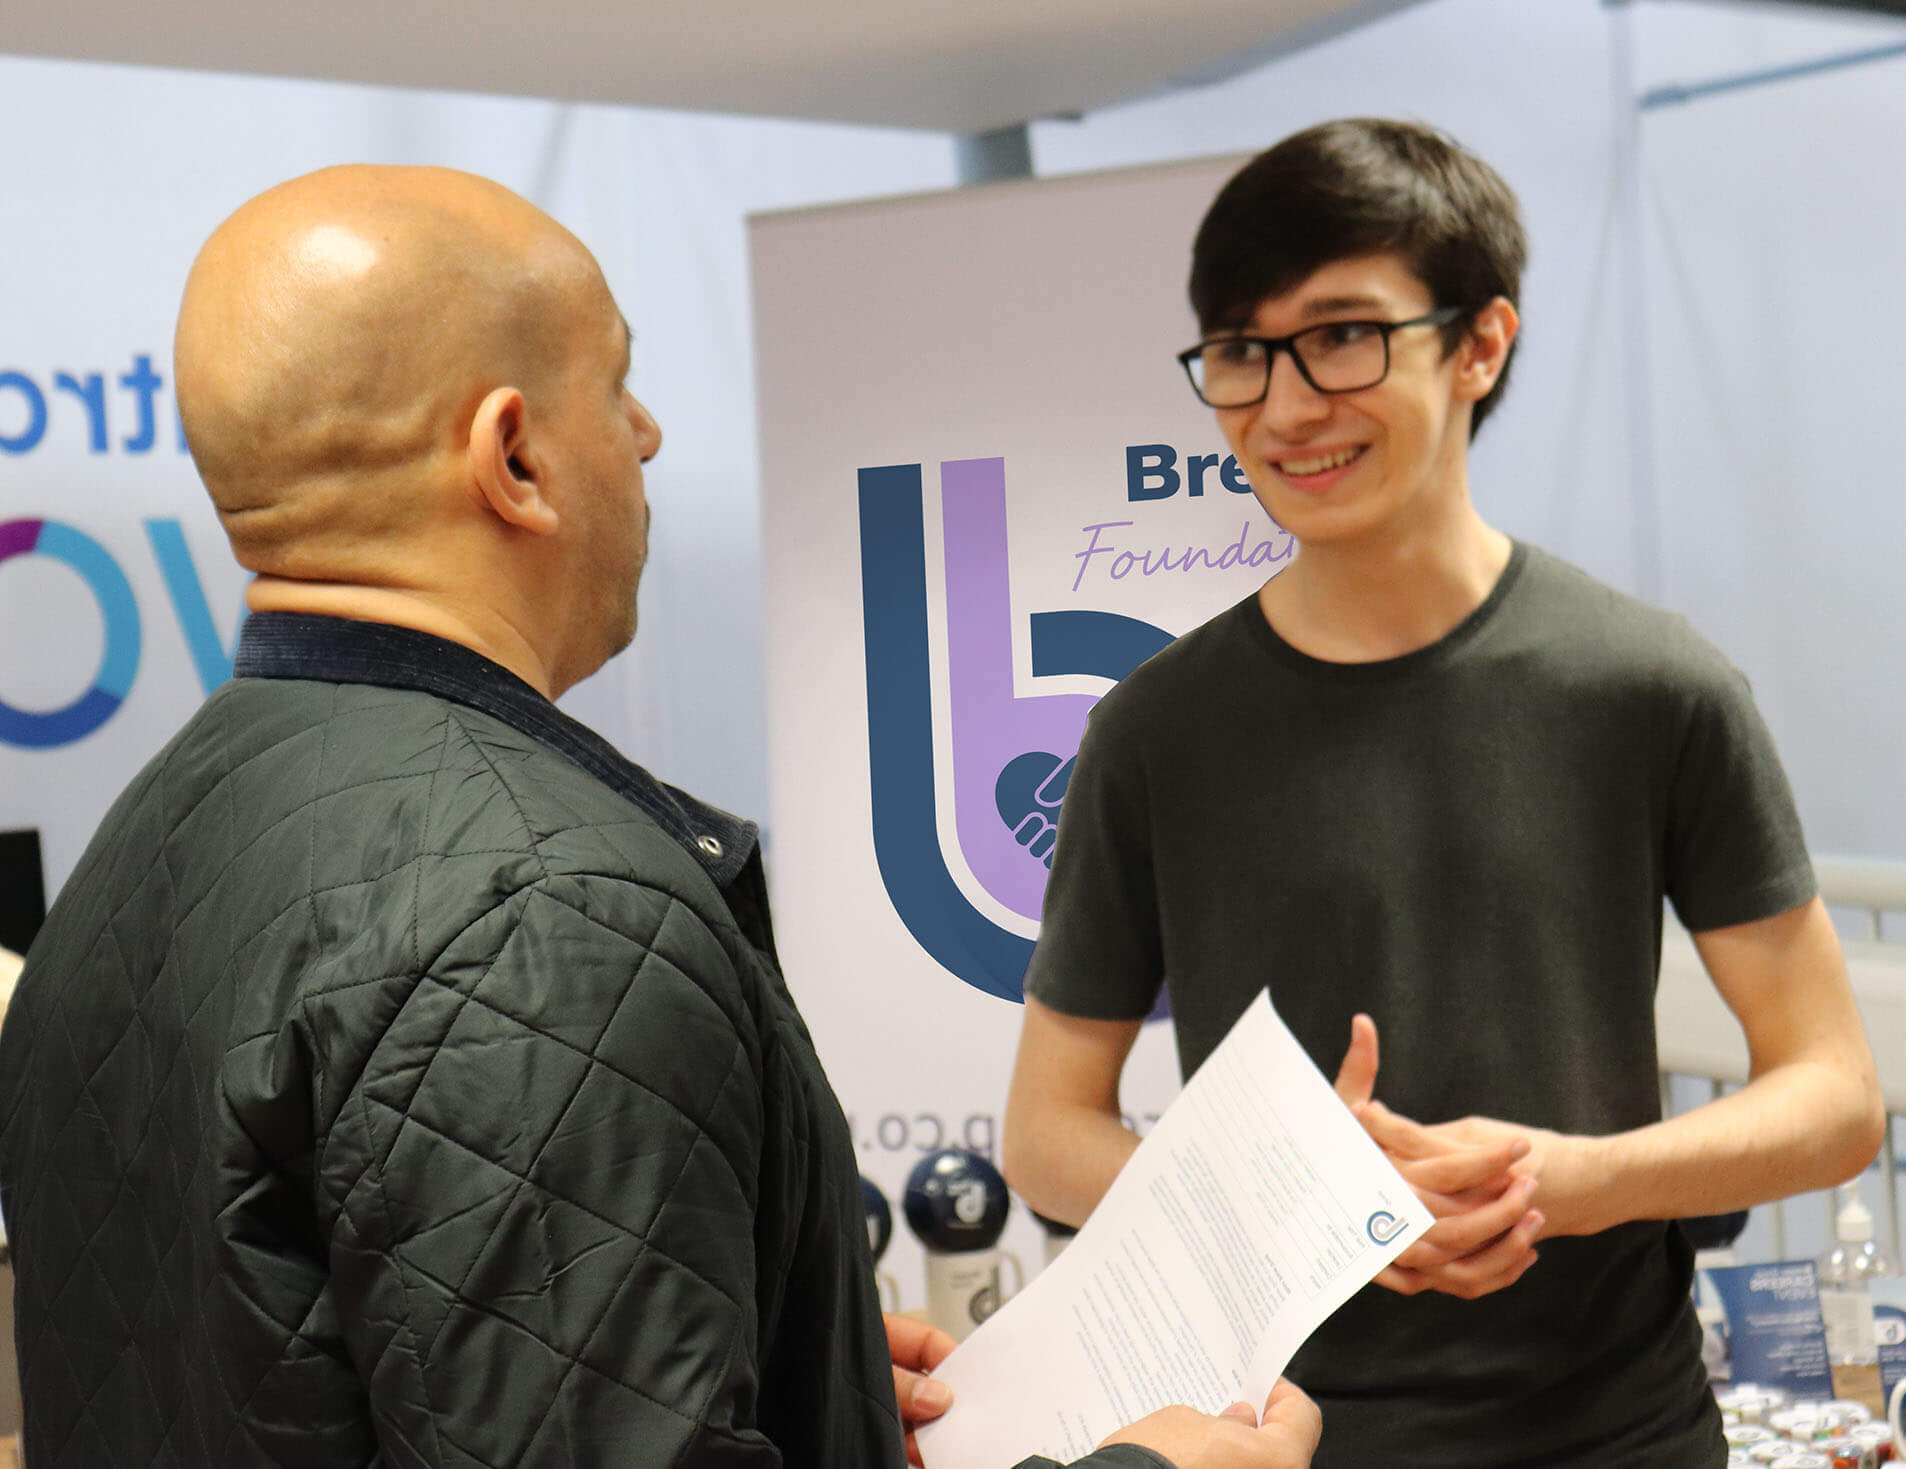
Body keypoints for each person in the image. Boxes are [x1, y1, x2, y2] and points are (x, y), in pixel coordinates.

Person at [0, 166, 1320, 1469]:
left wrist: (813, 1378)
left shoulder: (148, 837)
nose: (645, 433)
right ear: (511, 453)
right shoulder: (546, 919)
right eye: (613, 383)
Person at [1000, 118, 1884, 1469]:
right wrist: (1296, 1203)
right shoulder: (1154, 730)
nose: (1285, 405)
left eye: (1341, 335)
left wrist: (1572, 1180)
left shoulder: (1648, 682)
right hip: (1274, 1438)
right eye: (1240, 352)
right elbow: (1045, 1134)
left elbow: (1831, 1095)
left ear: (1479, 344)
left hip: (1618, 1431)